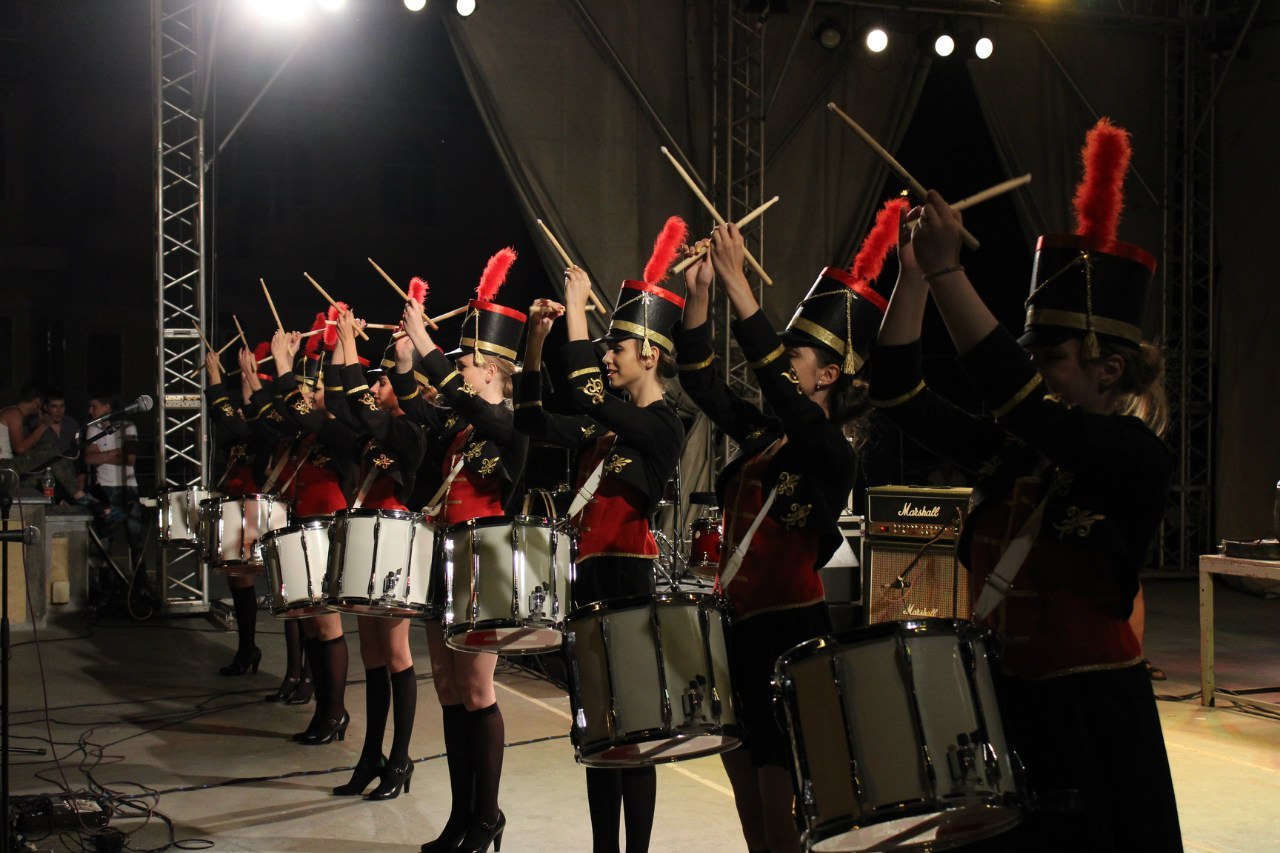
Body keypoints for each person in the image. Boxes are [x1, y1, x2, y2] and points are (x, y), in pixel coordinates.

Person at [869, 119, 1181, 853]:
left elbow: (1016, 396)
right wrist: (914, 275)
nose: (1034, 371)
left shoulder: (1133, 456)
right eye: (1031, 356)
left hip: (1093, 720)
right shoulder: (1014, 452)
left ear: (1109, 370)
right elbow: (898, 393)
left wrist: (950, 273)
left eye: (1051, 359)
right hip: (1002, 709)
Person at [673, 203, 896, 853]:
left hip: (792, 634)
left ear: (828, 374)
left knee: (783, 800)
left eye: (792, 354)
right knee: (746, 792)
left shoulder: (831, 452)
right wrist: (702, 294)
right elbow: (702, 385)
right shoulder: (766, 436)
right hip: (738, 630)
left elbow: (775, 384)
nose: (778, 362)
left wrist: (741, 286)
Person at [514, 218, 687, 853]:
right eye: (604, 347)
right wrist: (536, 342)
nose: (607, 357)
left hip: (628, 581)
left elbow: (588, 394)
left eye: (616, 348)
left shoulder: (663, 425)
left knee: (632, 733)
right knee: (596, 734)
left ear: (650, 354)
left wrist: (578, 313)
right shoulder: (606, 428)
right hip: (587, 580)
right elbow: (531, 420)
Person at [397, 251, 528, 853]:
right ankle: (460, 815)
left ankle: (488, 815)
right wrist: (407, 358)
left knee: (477, 692)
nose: (459, 371)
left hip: (482, 561)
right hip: (442, 557)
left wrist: (427, 343)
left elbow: (471, 406)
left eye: (469, 364)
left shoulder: (510, 424)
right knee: (448, 691)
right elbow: (416, 405)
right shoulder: (462, 424)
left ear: (496, 371)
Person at [268, 316, 353, 740]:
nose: (310, 394)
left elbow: (304, 409)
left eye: (316, 388)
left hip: (328, 529)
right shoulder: (308, 434)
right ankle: (324, 709)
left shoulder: (339, 429)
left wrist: (285, 365)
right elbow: (280, 412)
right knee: (313, 625)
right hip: (306, 526)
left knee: (327, 626)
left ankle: (333, 713)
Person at [0, 384, 96, 510]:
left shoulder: (71, 423)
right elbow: (20, 448)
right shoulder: (14, 413)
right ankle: (80, 496)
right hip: (4, 466)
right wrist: (43, 426)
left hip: (9, 471)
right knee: (50, 450)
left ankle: (62, 503)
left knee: (45, 478)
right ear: (37, 402)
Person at [84, 393, 146, 559]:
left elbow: (129, 459)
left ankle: (139, 574)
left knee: (134, 535)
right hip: (104, 487)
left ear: (106, 408)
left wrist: (102, 455)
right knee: (104, 536)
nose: (90, 411)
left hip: (128, 486)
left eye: (94, 407)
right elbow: (89, 458)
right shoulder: (93, 429)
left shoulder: (128, 427)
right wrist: (116, 452)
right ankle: (105, 572)